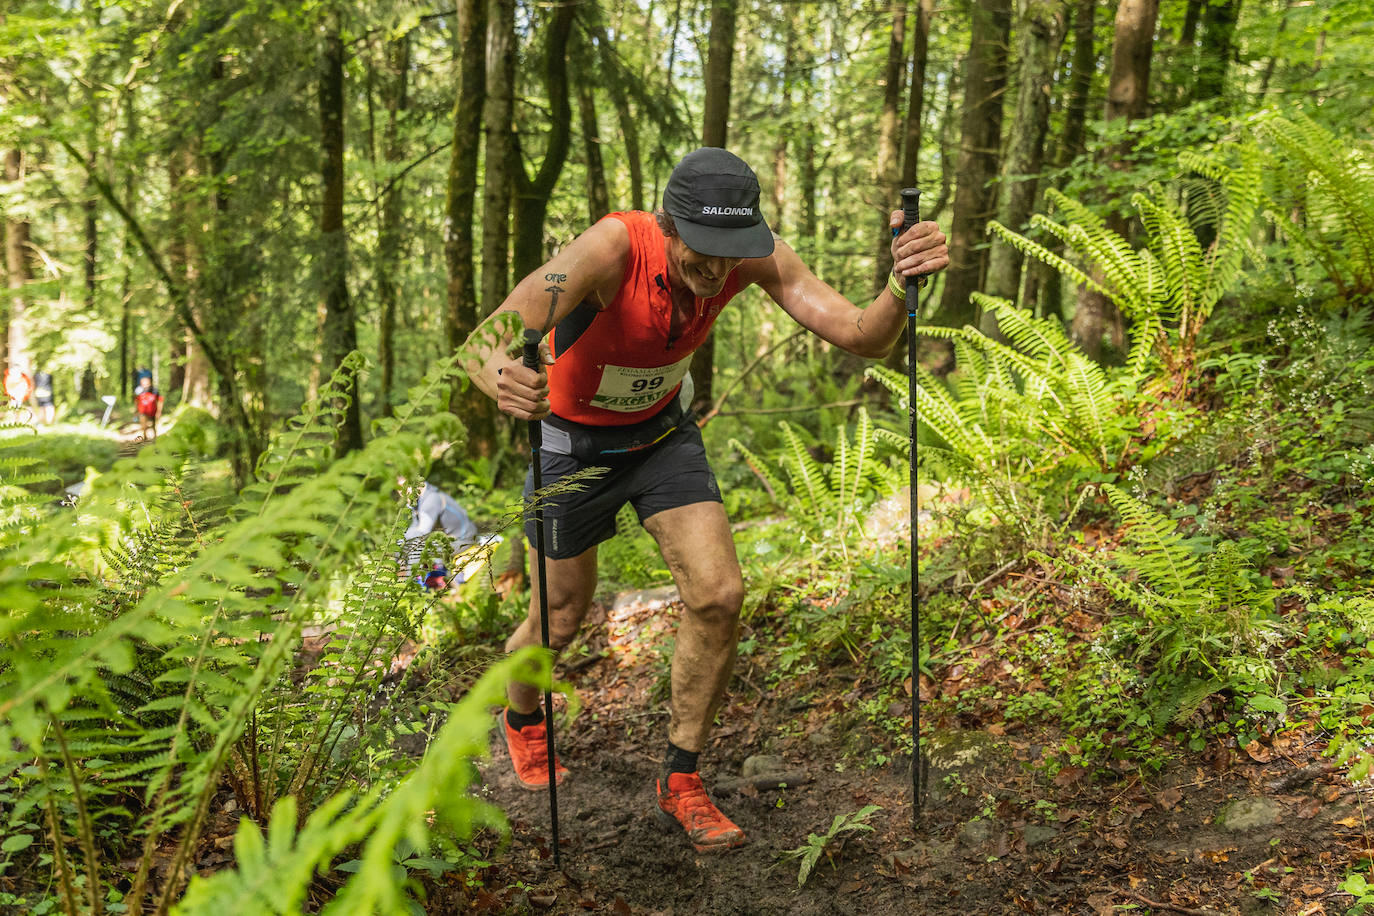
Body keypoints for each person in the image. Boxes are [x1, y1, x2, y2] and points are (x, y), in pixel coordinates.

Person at [465, 147, 948, 853]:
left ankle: (681, 777)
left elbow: (862, 336)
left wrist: (900, 285)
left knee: (719, 595)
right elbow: (489, 337)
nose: (718, 269)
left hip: (661, 438)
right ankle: (522, 719)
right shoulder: (609, 248)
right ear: (667, 224)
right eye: (703, 249)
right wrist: (502, 376)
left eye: (731, 251)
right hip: (571, 447)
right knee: (560, 617)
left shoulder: (753, 255)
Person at [399, 480, 480, 588]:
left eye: (405, 487)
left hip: (464, 539)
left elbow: (422, 533)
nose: (402, 493)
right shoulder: (420, 500)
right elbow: (413, 530)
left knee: (420, 547)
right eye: (399, 489)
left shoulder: (431, 499)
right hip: (449, 540)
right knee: (405, 542)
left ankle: (417, 585)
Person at [134, 374, 164, 441]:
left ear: (150, 383)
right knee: (144, 425)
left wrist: (159, 411)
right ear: (141, 384)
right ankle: (145, 438)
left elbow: (160, 401)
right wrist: (136, 410)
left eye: (147, 383)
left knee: (154, 426)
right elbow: (136, 401)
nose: (146, 385)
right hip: (143, 412)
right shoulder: (138, 391)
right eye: (144, 383)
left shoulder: (154, 391)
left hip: (153, 411)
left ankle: (155, 439)